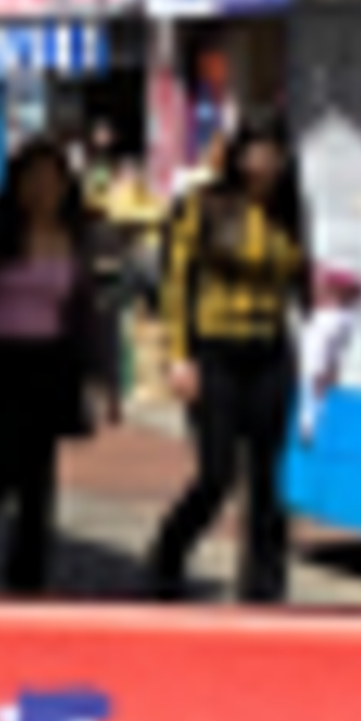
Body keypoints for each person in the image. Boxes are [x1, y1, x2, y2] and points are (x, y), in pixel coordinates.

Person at [0, 135, 113, 598]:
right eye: (33, 180)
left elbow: (87, 313)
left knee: (39, 481)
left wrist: (102, 375)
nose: (42, 190)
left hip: (47, 364)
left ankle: (27, 580)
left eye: (52, 181)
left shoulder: (74, 237)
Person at [146, 115, 311, 606]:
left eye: (272, 154)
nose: (262, 164)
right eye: (253, 152)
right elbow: (175, 283)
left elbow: (300, 280)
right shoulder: (204, 206)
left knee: (267, 476)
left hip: (270, 351)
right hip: (214, 349)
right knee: (216, 473)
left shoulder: (291, 212)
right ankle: (168, 554)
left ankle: (263, 584)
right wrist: (179, 356)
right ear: (237, 156)